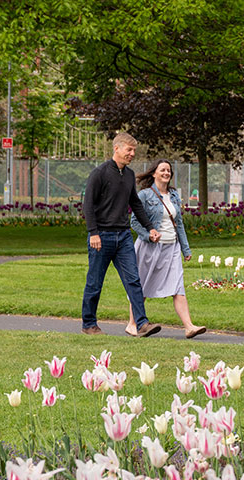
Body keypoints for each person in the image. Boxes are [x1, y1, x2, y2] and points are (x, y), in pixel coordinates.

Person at [80, 132, 163, 337]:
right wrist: (93, 233)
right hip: (101, 237)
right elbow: (88, 205)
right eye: (129, 149)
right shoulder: (99, 173)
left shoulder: (128, 175)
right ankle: (89, 324)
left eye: (134, 150)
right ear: (116, 148)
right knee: (95, 282)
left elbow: (135, 203)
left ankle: (142, 324)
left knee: (134, 280)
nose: (132, 153)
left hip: (124, 236)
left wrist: (150, 227)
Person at [126, 159, 207, 339]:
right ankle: (132, 324)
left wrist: (185, 249)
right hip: (150, 248)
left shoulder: (174, 195)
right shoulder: (145, 195)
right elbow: (134, 222)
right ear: (154, 173)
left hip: (172, 248)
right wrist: (149, 235)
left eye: (168, 170)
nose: (166, 173)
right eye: (162, 170)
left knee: (178, 287)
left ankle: (189, 326)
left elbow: (179, 224)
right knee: (142, 286)